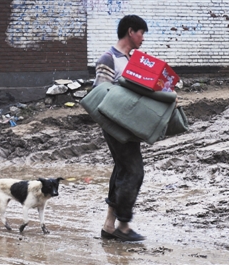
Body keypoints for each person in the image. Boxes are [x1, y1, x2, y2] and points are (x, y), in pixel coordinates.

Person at [92, 15, 149, 241]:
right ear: (130, 31)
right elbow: (101, 95)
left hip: (130, 124)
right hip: (117, 126)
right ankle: (123, 226)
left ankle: (109, 226)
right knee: (134, 171)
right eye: (141, 33)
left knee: (123, 170)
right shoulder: (109, 59)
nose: (143, 38)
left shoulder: (132, 60)